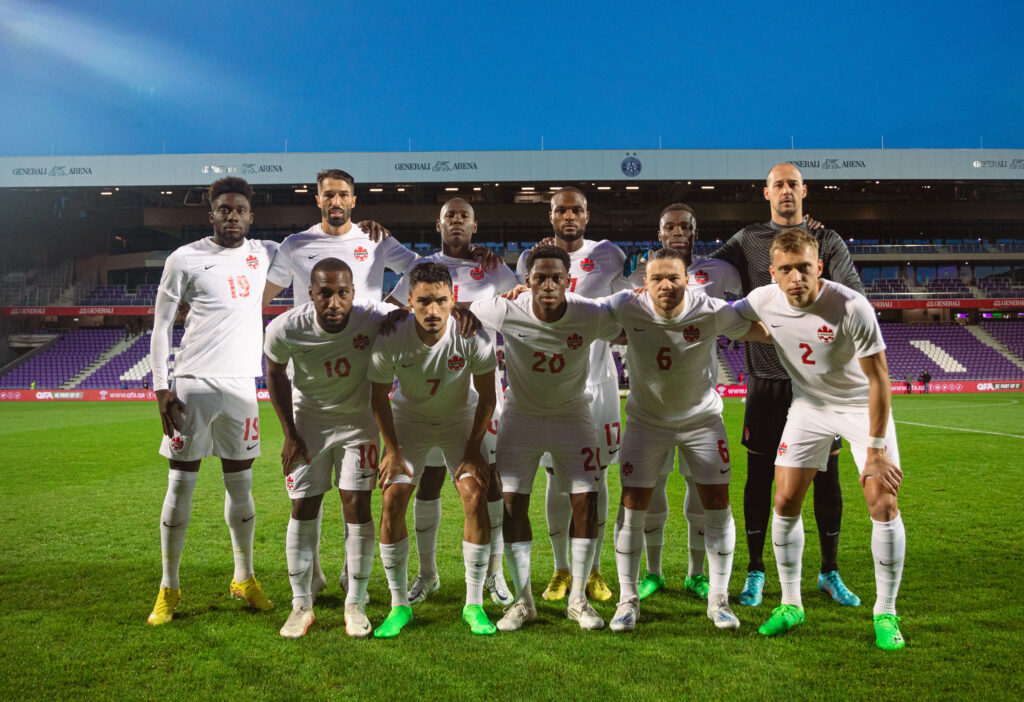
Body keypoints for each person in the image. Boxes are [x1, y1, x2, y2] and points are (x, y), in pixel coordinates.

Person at [734, 229, 906, 650]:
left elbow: (879, 379)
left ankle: (886, 612)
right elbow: (728, 319)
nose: (796, 277)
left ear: (820, 268)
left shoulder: (851, 306)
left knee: (882, 501)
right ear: (773, 272)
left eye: (804, 268)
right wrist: (766, 332)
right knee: (785, 500)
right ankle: (791, 604)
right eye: (786, 269)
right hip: (809, 405)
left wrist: (877, 450)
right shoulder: (762, 299)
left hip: (857, 406)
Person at [710, 163, 864, 608]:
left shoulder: (828, 241)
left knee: (826, 476)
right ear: (766, 193)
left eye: (792, 184)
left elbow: (852, 296)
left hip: (818, 383)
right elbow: (705, 270)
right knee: (759, 476)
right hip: (768, 379)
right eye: (778, 184)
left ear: (804, 190)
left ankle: (829, 572)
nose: (785, 191)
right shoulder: (746, 239)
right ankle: (756, 570)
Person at [604, 247, 770, 632]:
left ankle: (719, 600)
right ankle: (628, 600)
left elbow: (759, 329)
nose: (665, 285)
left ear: (687, 279)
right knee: (632, 506)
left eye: (673, 278)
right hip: (646, 422)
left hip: (702, 422)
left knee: (716, 503)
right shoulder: (629, 307)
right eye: (657, 278)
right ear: (644, 283)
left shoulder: (710, 310)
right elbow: (575, 311)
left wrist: (803, 333)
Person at [470, 246, 622, 631]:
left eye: (557, 277)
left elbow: (632, 326)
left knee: (586, 501)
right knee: (512, 506)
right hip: (521, 418)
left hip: (574, 416)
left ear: (568, 281)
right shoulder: (507, 309)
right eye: (541, 277)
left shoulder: (589, 312)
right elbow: (457, 312)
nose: (549, 284)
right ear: (528, 281)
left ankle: (578, 600)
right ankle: (523, 602)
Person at [146, 177, 274, 625]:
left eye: (240, 209)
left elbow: (313, 244)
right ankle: (169, 587)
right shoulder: (184, 258)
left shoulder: (264, 253)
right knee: (180, 484)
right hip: (193, 384)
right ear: (212, 214)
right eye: (224, 208)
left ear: (251, 216)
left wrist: (366, 227)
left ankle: (244, 578)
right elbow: (161, 327)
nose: (232, 215)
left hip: (242, 386)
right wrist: (162, 387)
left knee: (242, 486)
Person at [388, 198, 519, 607]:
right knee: (426, 481)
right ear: (438, 224)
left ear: (475, 226)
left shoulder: (494, 266)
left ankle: (494, 574)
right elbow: (395, 311)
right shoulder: (421, 270)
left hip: (477, 390)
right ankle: (428, 575)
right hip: (427, 392)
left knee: (487, 480)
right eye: (450, 217)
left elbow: (516, 299)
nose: (457, 222)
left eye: (464, 217)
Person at [264, 257, 396, 638]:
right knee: (304, 505)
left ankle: (355, 602)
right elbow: (274, 373)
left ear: (354, 292)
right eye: (325, 293)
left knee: (356, 505)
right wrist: (290, 433)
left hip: (359, 425)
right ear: (311, 293)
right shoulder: (285, 327)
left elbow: (416, 312)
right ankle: (300, 604)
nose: (334, 302)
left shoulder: (373, 316)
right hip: (310, 426)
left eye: (342, 293)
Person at [368, 262, 499, 637]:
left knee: (475, 494)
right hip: (410, 420)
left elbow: (488, 396)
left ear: (452, 300)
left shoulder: (473, 335)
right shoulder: (391, 336)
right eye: (423, 301)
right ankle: (399, 606)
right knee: (392, 497)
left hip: (461, 418)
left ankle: (473, 604)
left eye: (441, 301)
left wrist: (474, 448)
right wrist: (391, 451)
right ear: (408, 300)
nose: (432, 310)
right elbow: (379, 400)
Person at [515, 187, 632, 604]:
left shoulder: (610, 255)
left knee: (595, 477)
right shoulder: (530, 261)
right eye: (561, 210)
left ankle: (594, 569)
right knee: (553, 477)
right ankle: (561, 568)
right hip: (550, 385)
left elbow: (629, 301)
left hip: (598, 383)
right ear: (550, 216)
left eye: (576, 210)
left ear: (587, 215)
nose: (569, 216)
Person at [625, 203, 742, 603]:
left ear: (696, 230)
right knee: (649, 490)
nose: (677, 231)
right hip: (650, 408)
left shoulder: (721, 273)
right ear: (659, 233)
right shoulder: (631, 287)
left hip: (699, 402)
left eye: (685, 225)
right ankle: (653, 573)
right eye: (669, 226)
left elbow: (747, 312)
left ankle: (697, 574)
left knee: (702, 492)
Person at [263, 169, 419, 308]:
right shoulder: (294, 245)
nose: (336, 202)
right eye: (329, 195)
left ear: (353, 201)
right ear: (318, 201)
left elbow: (420, 266)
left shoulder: (376, 239)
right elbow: (260, 301)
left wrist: (390, 307)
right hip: (313, 340)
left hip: (365, 339)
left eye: (343, 195)